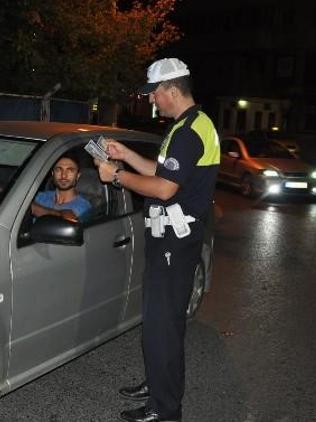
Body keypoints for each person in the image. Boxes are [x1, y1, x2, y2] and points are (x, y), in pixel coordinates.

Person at [96, 58, 220, 422]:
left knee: (162, 326)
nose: (153, 102)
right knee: (161, 323)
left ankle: (164, 410)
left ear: (171, 90)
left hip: (174, 245)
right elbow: (164, 172)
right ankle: (158, 383)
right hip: (172, 243)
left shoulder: (187, 131)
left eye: (154, 95)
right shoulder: (191, 124)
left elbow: (164, 188)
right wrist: (127, 155)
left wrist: (116, 175)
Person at [31, 152, 92, 223]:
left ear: (77, 176)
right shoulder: (40, 197)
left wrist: (34, 209)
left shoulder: (83, 206)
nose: (63, 176)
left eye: (70, 170)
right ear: (53, 174)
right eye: (59, 170)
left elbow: (70, 218)